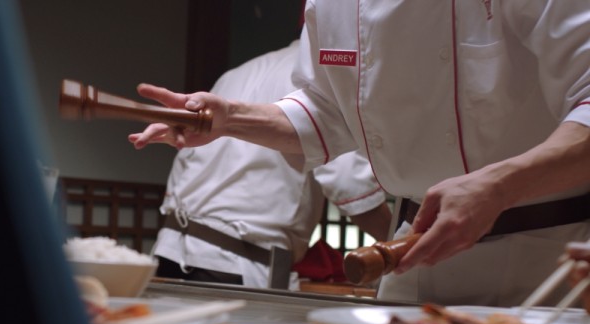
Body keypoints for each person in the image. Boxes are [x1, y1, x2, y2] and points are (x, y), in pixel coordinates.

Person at [130, 1, 590, 307]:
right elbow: (324, 114)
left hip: (545, 263)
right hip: (410, 263)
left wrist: (498, 185)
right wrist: (232, 118)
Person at [152, 40, 392, 290]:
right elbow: (349, 182)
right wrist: (405, 245)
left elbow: (186, 158)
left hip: (169, 250)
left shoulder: (240, 71)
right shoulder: (328, 75)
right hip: (236, 263)